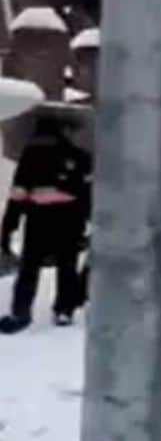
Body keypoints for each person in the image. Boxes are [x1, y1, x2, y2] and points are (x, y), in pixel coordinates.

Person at [0, 116, 92, 334]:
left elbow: (18, 195)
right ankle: (64, 310)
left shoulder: (31, 156)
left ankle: (20, 313)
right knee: (66, 266)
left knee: (29, 268)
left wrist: (8, 227)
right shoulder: (82, 157)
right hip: (70, 221)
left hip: (38, 221)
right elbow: (88, 194)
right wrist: (89, 222)